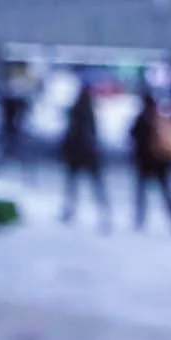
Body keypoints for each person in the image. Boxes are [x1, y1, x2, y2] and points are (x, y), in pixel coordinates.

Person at [129, 92, 171, 235]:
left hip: (146, 163)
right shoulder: (162, 119)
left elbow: (133, 135)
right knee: (166, 192)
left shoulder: (143, 119)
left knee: (142, 193)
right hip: (161, 162)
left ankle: (140, 219)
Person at [59, 80, 110, 231]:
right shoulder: (88, 109)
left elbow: (72, 132)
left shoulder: (78, 109)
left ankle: (71, 211)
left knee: (74, 184)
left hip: (79, 153)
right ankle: (103, 213)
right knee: (94, 185)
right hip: (88, 153)